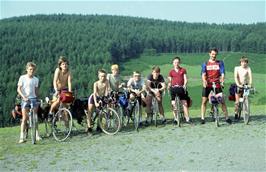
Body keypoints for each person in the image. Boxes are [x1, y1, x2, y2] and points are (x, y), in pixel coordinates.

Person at [200, 48, 232, 124]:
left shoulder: (220, 63)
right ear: (209, 54)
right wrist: (204, 81)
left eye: (215, 54)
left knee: (222, 101)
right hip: (208, 84)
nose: (214, 56)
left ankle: (227, 118)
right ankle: (202, 118)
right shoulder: (205, 63)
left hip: (217, 84)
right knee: (204, 101)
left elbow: (223, 73)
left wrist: (222, 80)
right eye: (212, 54)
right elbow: (203, 74)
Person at [17, 62, 41, 143]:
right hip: (25, 99)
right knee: (24, 118)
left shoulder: (36, 79)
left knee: (35, 117)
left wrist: (38, 98)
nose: (32, 71)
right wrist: (23, 97)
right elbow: (18, 89)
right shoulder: (22, 78)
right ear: (27, 69)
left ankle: (37, 134)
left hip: (33, 99)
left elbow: (36, 90)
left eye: (33, 70)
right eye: (30, 69)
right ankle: (22, 136)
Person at [168, 57, 192, 125]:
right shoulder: (171, 72)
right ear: (173, 63)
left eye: (177, 62)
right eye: (175, 62)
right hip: (173, 88)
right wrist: (169, 84)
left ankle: (187, 118)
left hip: (181, 88)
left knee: (185, 103)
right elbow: (170, 80)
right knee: (173, 103)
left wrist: (184, 84)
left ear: (179, 63)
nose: (176, 64)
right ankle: (175, 118)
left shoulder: (183, 70)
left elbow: (185, 79)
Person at [86, 69, 110, 134]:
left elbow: (107, 90)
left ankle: (99, 126)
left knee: (101, 112)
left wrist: (106, 97)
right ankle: (89, 127)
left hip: (101, 97)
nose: (103, 77)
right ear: (98, 76)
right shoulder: (96, 83)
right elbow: (95, 93)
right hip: (94, 97)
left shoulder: (106, 82)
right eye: (101, 76)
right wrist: (96, 102)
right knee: (90, 110)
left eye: (104, 76)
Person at [234, 56, 252, 120]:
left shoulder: (248, 68)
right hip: (238, 85)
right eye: (242, 62)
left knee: (246, 97)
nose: (244, 63)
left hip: (246, 85)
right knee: (237, 101)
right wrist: (238, 84)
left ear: (247, 63)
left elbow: (250, 77)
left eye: (245, 62)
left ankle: (246, 110)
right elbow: (236, 77)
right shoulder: (237, 68)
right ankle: (236, 113)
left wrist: (250, 84)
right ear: (240, 62)